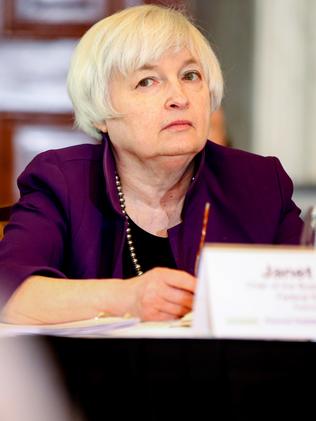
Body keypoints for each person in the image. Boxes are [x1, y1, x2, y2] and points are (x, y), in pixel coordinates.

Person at [0, 5, 303, 324]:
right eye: (147, 81)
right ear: (102, 112)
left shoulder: (259, 182)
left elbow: (304, 293)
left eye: (190, 75)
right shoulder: (62, 180)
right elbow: (8, 292)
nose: (179, 97)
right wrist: (127, 298)